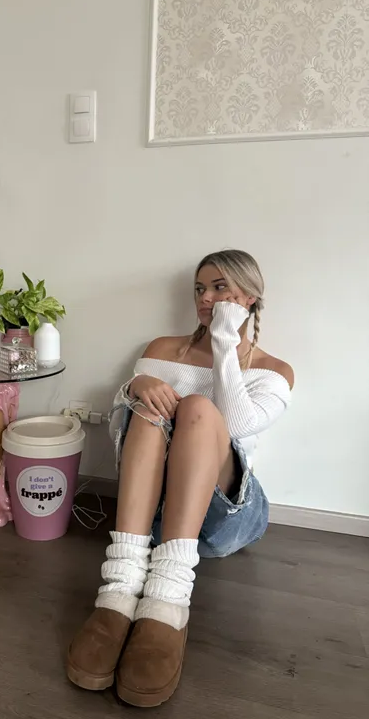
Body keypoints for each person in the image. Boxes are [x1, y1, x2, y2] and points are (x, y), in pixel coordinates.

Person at [66, 250, 294, 708]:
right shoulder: (161, 350)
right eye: (199, 289)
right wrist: (134, 387)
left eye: (220, 288)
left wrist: (225, 339)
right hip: (150, 516)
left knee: (197, 408)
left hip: (225, 517)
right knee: (148, 408)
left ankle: (169, 597)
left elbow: (237, 426)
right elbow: (122, 435)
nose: (205, 298)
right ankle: (120, 589)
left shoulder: (274, 370)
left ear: (249, 298)